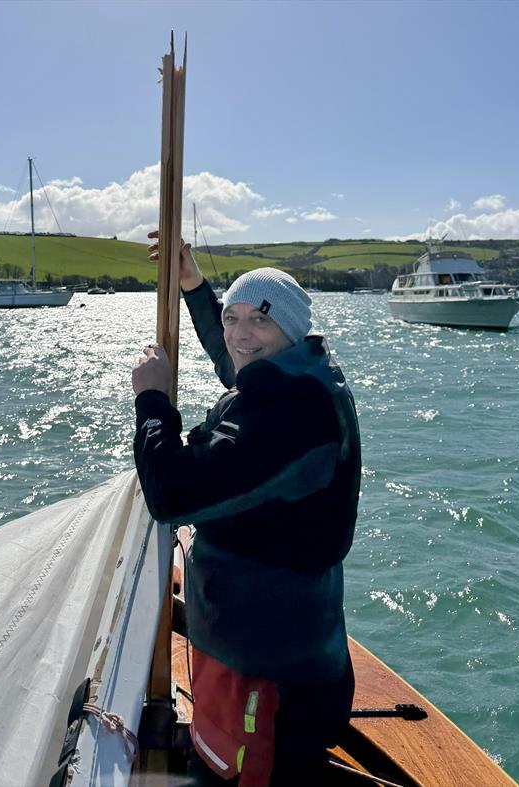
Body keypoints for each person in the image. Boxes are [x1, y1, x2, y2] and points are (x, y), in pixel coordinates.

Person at [131, 239, 361, 786]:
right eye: (231, 318)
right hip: (279, 646)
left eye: (258, 319)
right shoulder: (300, 374)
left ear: (291, 329)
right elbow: (233, 357)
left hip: (266, 673)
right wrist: (193, 287)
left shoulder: (291, 417)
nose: (239, 333)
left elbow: (171, 496)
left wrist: (152, 403)